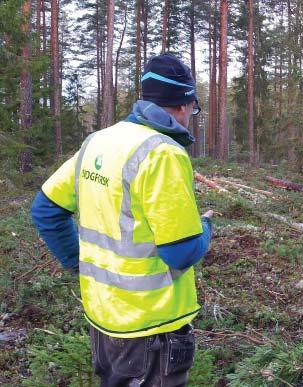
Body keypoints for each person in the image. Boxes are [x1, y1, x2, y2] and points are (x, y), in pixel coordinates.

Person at [31, 53, 213, 387]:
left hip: (103, 318)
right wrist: (205, 228)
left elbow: (45, 210)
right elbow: (181, 253)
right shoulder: (163, 153)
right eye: (193, 108)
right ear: (184, 105)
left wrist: (78, 264)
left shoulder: (98, 141)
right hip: (152, 326)